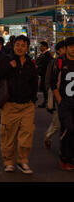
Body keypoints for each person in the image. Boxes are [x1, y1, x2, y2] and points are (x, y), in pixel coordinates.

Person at [0, 35, 38, 174]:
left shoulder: (30, 63)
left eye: (23, 45)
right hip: (10, 105)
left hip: (27, 105)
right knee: (8, 136)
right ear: (13, 46)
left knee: (27, 134)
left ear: (27, 47)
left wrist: (33, 100)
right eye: (17, 44)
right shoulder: (6, 59)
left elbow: (34, 83)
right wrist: (8, 66)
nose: (20, 47)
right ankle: (8, 162)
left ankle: (23, 161)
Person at [51, 36, 74, 170]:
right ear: (66, 48)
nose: (73, 49)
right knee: (68, 129)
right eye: (70, 46)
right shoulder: (60, 62)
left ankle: (71, 157)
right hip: (65, 102)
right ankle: (64, 157)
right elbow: (53, 84)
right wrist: (60, 101)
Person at [43, 40, 66, 150]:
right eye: (64, 49)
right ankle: (48, 136)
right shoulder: (54, 62)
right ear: (58, 51)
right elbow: (48, 80)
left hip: (69, 97)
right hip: (57, 96)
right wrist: (50, 93)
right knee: (57, 122)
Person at [36, 41, 53, 108]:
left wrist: (39, 67)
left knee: (45, 89)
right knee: (44, 89)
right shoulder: (43, 54)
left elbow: (45, 65)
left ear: (45, 47)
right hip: (43, 74)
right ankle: (46, 102)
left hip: (45, 74)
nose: (40, 47)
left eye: (41, 46)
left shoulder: (47, 55)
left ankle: (47, 102)